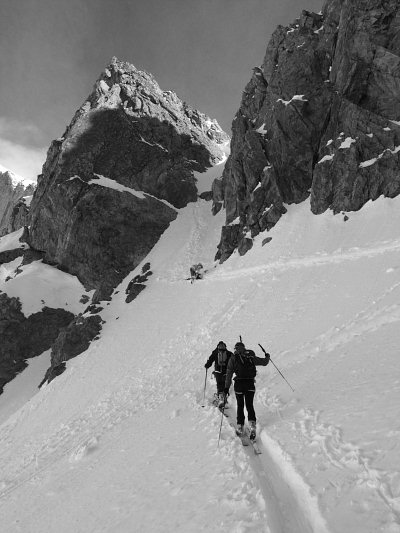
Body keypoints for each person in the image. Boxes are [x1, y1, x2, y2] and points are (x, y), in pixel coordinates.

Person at [224, 341, 270, 440]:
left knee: (240, 405)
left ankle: (240, 426)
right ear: (244, 348)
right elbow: (264, 362)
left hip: (239, 385)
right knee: (249, 405)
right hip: (250, 384)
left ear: (235, 349)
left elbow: (229, 374)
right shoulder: (250, 357)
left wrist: (226, 388)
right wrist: (267, 356)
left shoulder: (233, 358)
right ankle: (252, 425)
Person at [204, 341, 233, 407]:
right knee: (225, 383)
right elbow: (234, 360)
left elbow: (210, 359)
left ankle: (220, 396)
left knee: (219, 383)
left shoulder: (215, 352)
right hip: (226, 371)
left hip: (217, 370)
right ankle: (225, 395)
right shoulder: (228, 353)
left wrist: (207, 365)